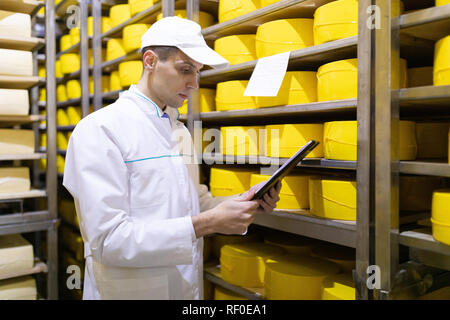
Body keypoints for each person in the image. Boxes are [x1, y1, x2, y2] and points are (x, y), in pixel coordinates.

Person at [63, 16, 282, 300]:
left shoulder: (178, 131)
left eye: (198, 72)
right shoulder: (100, 130)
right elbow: (109, 241)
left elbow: (196, 201)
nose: (194, 83)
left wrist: (243, 201)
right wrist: (208, 223)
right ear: (150, 61)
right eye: (185, 69)